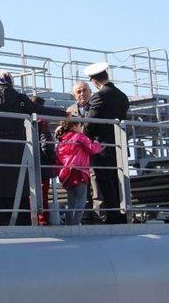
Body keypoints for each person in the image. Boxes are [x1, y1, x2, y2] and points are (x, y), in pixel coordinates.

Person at [0, 71, 65, 226]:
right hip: (16, 149)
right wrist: (64, 114)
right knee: (18, 184)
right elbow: (40, 110)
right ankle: (20, 218)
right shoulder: (20, 99)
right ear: (10, 83)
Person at [83, 62, 130, 225]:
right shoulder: (122, 96)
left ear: (94, 80)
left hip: (102, 148)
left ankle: (112, 216)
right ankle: (122, 214)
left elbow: (90, 124)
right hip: (119, 146)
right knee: (118, 182)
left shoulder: (99, 96)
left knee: (105, 182)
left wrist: (83, 134)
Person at [66, 80, 103, 223]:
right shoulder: (69, 111)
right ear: (74, 95)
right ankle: (84, 216)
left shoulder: (96, 107)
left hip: (92, 151)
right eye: (78, 92)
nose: (82, 94)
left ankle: (98, 214)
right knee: (80, 185)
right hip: (77, 155)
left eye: (84, 90)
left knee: (96, 182)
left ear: (90, 92)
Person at [55, 119, 103, 225]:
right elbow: (92, 149)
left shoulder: (61, 140)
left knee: (71, 201)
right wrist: (97, 144)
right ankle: (75, 223)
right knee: (81, 200)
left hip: (66, 173)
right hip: (79, 171)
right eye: (80, 125)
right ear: (75, 126)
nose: (81, 128)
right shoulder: (79, 136)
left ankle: (69, 223)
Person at [31, 96, 57, 226]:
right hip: (43, 166)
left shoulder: (26, 122)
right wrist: (53, 159)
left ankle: (34, 218)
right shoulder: (42, 124)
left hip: (30, 164)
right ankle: (42, 219)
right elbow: (46, 145)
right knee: (42, 195)